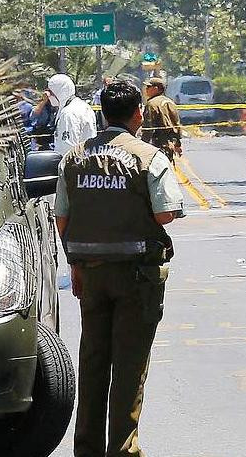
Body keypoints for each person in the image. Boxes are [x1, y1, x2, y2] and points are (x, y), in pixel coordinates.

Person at [54, 80, 184, 457]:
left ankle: (87, 450)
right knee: (128, 367)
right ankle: (123, 451)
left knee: (93, 363)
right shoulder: (148, 157)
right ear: (138, 114)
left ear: (102, 113)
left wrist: (77, 263)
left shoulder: (73, 158)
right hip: (137, 278)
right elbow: (164, 212)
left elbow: (62, 219)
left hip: (90, 275)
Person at [48, 73, 98, 155]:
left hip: (73, 164)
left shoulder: (68, 113)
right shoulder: (84, 106)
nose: (49, 96)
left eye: (51, 92)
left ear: (59, 91)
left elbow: (68, 149)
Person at [142, 77, 184, 162]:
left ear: (156, 88)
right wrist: (178, 144)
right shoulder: (169, 102)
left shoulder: (151, 104)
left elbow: (148, 128)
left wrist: (143, 145)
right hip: (170, 144)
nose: (146, 89)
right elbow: (177, 123)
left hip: (158, 144)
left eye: (148, 87)